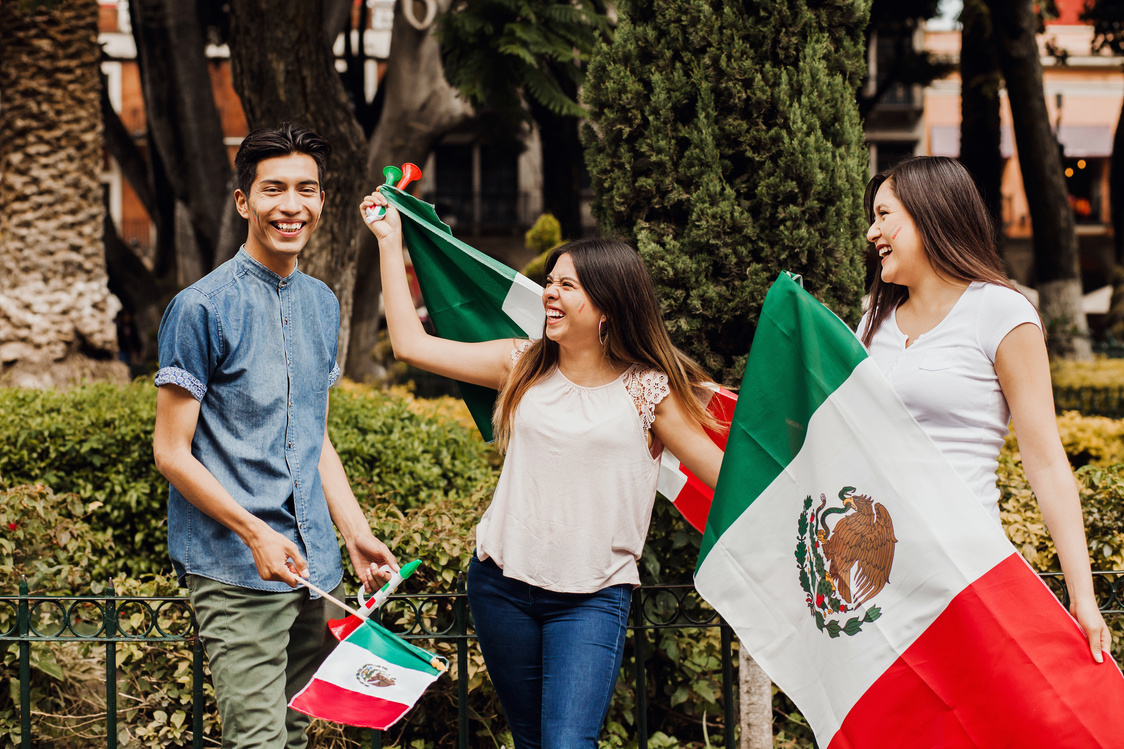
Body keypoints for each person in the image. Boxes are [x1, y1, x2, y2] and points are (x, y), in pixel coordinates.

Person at [360, 189, 725, 748]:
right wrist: (391, 242)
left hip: (591, 599)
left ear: (606, 304)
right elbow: (411, 344)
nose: (549, 294)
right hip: (501, 587)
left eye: (566, 286)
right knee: (532, 741)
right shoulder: (521, 361)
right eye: (551, 282)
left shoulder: (650, 391)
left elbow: (723, 475)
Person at [153, 124, 397, 749]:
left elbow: (311, 437)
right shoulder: (200, 308)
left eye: (306, 190)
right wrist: (254, 532)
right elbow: (171, 452)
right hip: (237, 569)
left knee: (294, 735)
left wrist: (356, 532)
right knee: (258, 741)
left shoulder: (322, 302)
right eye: (274, 190)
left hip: (317, 569)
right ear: (243, 201)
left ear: (321, 201)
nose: (292, 206)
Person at [859, 155, 1111, 662]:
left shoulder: (1000, 311)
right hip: (878, 575)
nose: (871, 231)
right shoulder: (871, 321)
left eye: (885, 215)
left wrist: (1082, 596)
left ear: (931, 216)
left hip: (961, 571)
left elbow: (1044, 461)